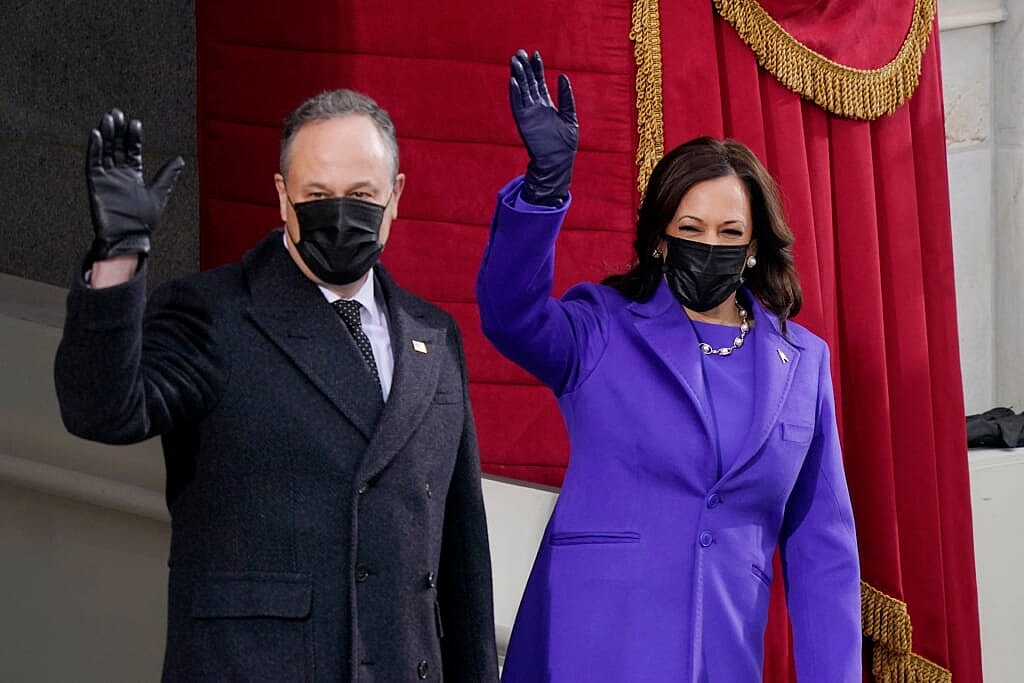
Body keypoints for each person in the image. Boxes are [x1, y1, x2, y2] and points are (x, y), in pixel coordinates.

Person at [54, 91, 499, 682]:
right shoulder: (213, 313)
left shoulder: (433, 334)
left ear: (395, 196)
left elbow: (461, 556)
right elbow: (103, 409)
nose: (339, 214)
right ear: (283, 196)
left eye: (362, 195)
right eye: (316, 195)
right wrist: (118, 258)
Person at [477, 50, 861, 682]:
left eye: (729, 232)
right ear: (660, 238)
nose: (709, 245)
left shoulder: (803, 363)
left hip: (722, 658)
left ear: (754, 247)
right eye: (691, 227)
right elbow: (509, 316)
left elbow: (824, 551)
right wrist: (543, 190)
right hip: (588, 651)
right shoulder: (601, 328)